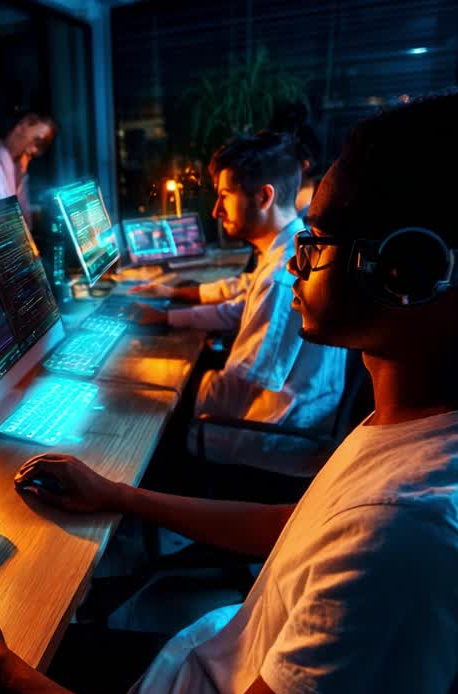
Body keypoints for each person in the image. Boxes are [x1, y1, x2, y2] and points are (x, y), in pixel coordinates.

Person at [0, 80, 458, 694]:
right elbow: (308, 524)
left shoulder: (412, 546)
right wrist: (120, 495)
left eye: (315, 241)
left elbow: (376, 544)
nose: (294, 260)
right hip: (209, 662)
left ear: (406, 271)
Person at [131, 132, 345, 474]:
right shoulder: (293, 246)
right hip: (300, 417)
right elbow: (242, 298)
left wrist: (158, 386)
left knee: (146, 421)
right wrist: (170, 306)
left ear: (263, 197)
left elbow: (242, 386)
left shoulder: (281, 275)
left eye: (225, 196)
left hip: (277, 433)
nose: (216, 210)